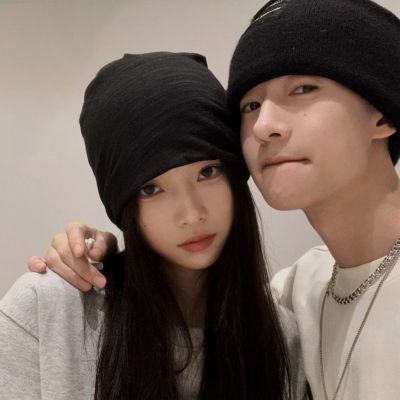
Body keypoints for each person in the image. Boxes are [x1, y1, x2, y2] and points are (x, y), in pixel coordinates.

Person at [29, 0, 400, 399]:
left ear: (382, 112)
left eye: (303, 89)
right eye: (250, 106)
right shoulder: (297, 295)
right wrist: (100, 252)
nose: (264, 125)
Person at [0, 52, 306, 399]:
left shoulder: (281, 337)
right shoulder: (49, 310)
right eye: (151, 189)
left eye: (207, 172)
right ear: (124, 204)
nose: (191, 214)